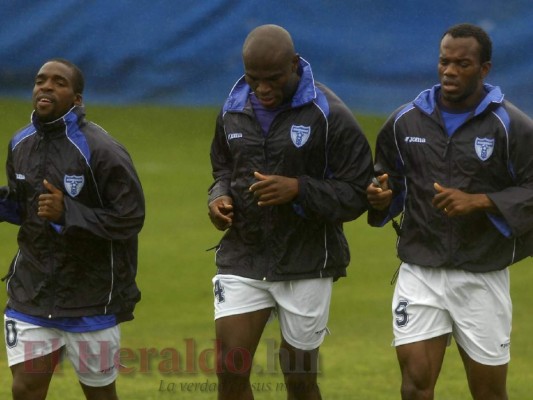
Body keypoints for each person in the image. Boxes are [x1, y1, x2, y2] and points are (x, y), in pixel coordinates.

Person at [367, 23, 533, 400]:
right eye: (444, 62)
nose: (450, 71)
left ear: (484, 68)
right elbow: (385, 180)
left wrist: (481, 201)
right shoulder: (403, 122)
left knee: (489, 393)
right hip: (420, 272)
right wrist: (379, 196)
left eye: (462, 63)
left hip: (481, 275)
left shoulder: (512, 126)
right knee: (414, 388)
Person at [207, 24, 373, 399]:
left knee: (299, 379)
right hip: (244, 256)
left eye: (273, 79)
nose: (262, 89)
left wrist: (299, 189)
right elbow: (222, 167)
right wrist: (218, 198)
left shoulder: (330, 114)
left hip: (306, 261)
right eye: (254, 79)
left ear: (294, 65)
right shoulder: (233, 109)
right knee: (229, 369)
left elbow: (357, 193)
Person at [1, 59, 145, 400]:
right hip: (31, 294)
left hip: (90, 300)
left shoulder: (103, 150)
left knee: (99, 395)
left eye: (58, 82)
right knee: (25, 390)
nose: (46, 86)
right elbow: (26, 208)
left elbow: (130, 218)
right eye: (40, 80)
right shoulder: (19, 143)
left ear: (77, 99)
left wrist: (69, 213)